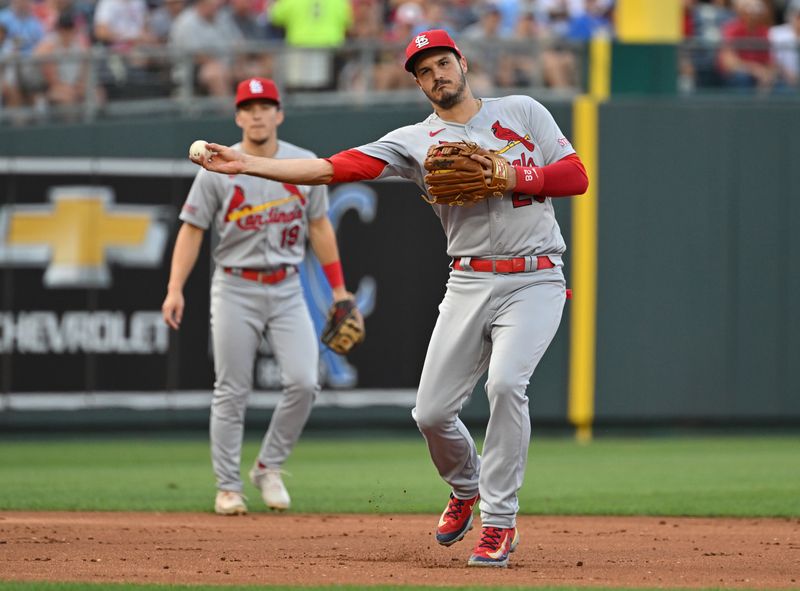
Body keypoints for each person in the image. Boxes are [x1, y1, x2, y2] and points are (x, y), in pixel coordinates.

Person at [190, 30, 588, 566]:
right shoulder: (414, 141)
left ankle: (499, 521)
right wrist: (245, 165)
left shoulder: (522, 110)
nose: (436, 75)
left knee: (505, 384)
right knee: (430, 413)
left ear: (462, 63)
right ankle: (466, 486)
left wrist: (510, 173)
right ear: (418, 83)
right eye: (424, 71)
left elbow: (575, 176)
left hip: (536, 275)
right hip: (468, 279)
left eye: (443, 63)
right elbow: (331, 169)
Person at [161, 77, 354, 515]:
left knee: (305, 382)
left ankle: (268, 467)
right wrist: (175, 288)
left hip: (286, 284)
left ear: (279, 113)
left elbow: (320, 227)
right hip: (235, 284)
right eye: (248, 107)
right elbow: (191, 230)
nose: (257, 113)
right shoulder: (218, 167)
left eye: (265, 105)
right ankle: (228, 486)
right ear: (237, 116)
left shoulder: (304, 164)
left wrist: (339, 289)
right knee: (232, 388)